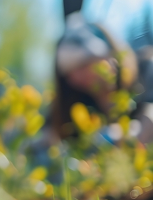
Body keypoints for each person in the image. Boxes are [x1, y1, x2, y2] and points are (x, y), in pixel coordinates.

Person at [49, 12, 153, 145]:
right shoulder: (76, 100)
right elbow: (50, 134)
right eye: (69, 74)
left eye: (83, 65)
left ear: (110, 55)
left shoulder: (148, 69)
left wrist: (137, 130)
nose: (77, 77)